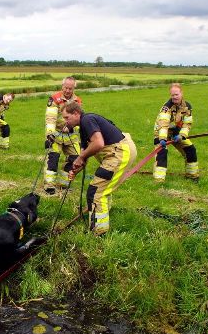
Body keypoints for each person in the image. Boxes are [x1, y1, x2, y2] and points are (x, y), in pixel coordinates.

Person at [64, 102, 137, 236]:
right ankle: (102, 214)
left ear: (76, 113)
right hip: (119, 153)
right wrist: (75, 169)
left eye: (66, 117)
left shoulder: (87, 119)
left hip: (119, 154)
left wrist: (80, 158)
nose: (65, 121)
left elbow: (98, 143)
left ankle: (99, 232)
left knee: (96, 192)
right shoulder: (83, 128)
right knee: (102, 188)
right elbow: (84, 154)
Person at [152, 83, 198, 182]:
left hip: (176, 132)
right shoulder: (166, 107)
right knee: (162, 152)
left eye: (176, 94)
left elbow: (187, 123)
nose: (174, 97)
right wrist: (163, 138)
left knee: (190, 149)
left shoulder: (187, 107)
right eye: (172, 95)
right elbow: (163, 124)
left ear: (181, 93)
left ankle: (192, 176)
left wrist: (182, 135)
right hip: (160, 133)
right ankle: (159, 180)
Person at [44, 76, 82, 195]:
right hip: (56, 135)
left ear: (74, 88)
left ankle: (63, 184)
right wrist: (50, 134)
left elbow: (79, 118)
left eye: (70, 88)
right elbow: (51, 118)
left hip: (71, 136)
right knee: (53, 159)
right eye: (66, 88)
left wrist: (71, 127)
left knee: (75, 159)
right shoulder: (54, 99)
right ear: (62, 86)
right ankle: (49, 186)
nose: (67, 91)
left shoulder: (78, 101)